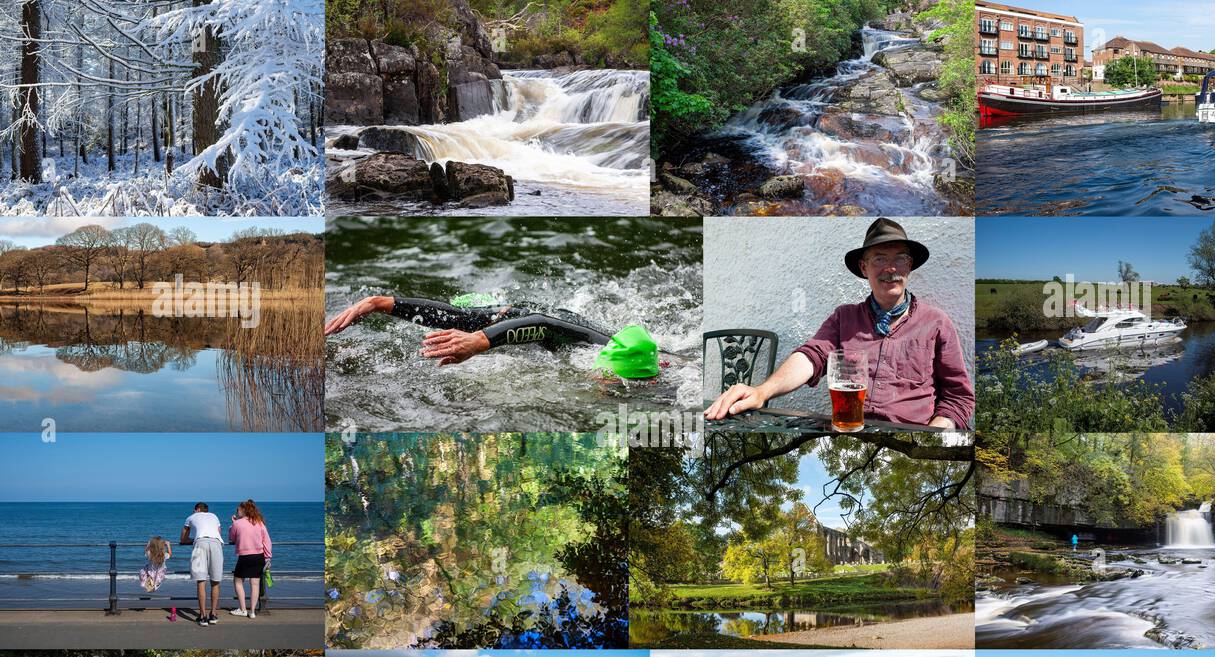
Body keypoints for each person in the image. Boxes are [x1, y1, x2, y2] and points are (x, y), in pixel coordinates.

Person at [704, 218, 975, 430]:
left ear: (910, 266)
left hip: (911, 437)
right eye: (880, 258)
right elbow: (812, 356)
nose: (891, 268)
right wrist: (762, 391)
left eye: (900, 259)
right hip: (847, 433)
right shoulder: (844, 317)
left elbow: (959, 398)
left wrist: (935, 433)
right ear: (863, 267)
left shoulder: (936, 322)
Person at [323, 292, 672, 378]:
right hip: (524, 316)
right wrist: (383, 303)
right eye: (607, 374)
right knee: (468, 318)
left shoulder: (655, 369)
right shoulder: (591, 344)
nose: (602, 379)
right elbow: (543, 322)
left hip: (528, 320)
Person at [228, 499, 272, 620]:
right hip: (259, 556)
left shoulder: (237, 523)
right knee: (255, 584)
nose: (237, 511)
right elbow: (267, 541)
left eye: (238, 510)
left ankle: (243, 609)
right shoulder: (259, 522)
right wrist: (268, 557)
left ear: (243, 510)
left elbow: (232, 538)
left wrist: (233, 524)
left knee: (238, 581)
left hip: (244, 556)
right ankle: (252, 612)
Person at [180, 502, 223, 627]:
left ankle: (202, 616)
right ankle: (213, 614)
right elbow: (218, 533)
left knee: (201, 581)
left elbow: (183, 538)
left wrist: (193, 539)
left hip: (199, 544)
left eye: (194, 510)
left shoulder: (191, 517)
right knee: (215, 581)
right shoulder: (214, 516)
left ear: (197, 509)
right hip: (216, 544)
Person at [139, 536, 176, 623]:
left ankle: (152, 587)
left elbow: (145, 551)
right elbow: (170, 554)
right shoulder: (164, 555)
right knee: (153, 586)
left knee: (148, 583)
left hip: (151, 574)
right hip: (160, 575)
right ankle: (154, 587)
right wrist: (168, 545)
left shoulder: (150, 554)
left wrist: (148, 544)